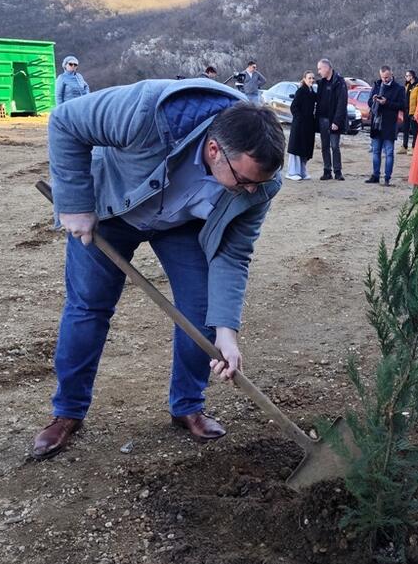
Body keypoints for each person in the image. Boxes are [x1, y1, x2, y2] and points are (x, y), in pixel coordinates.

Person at [32, 78, 285, 459]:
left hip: (182, 224)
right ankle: (67, 411)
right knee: (88, 308)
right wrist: (74, 204)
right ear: (214, 150)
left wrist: (227, 331)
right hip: (110, 212)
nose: (252, 190)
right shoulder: (146, 112)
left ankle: (188, 405)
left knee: (201, 311)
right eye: (245, 181)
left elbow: (232, 255)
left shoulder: (260, 184)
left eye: (258, 184)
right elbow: (66, 121)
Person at [365, 65, 406, 186]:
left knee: (389, 152)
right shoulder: (377, 85)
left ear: (391, 74)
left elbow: (403, 106)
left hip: (389, 124)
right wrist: (373, 100)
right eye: (382, 77)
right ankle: (375, 175)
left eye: (387, 77)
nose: (384, 80)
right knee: (376, 151)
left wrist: (386, 102)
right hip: (376, 123)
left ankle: (387, 178)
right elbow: (369, 102)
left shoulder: (399, 89)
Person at [315, 58, 348, 181]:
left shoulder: (339, 82)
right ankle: (327, 171)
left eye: (320, 69)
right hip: (322, 119)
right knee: (324, 147)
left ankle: (338, 172)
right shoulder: (321, 83)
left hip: (333, 120)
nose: (318, 72)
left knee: (334, 146)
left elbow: (342, 103)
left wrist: (336, 121)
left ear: (327, 68)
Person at [286, 71, 318, 180]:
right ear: (304, 79)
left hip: (308, 125)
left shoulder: (312, 92)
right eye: (309, 78)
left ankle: (302, 171)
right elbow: (293, 107)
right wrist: (300, 118)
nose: (312, 80)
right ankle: (292, 172)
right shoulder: (300, 91)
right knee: (296, 148)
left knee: (305, 149)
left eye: (313, 78)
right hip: (299, 125)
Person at [401, 70, 418, 154]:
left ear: (411, 76)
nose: (406, 77)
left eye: (407, 76)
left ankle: (414, 147)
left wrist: (417, 113)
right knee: (405, 129)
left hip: (414, 112)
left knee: (415, 131)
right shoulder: (407, 85)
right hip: (406, 110)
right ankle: (404, 146)